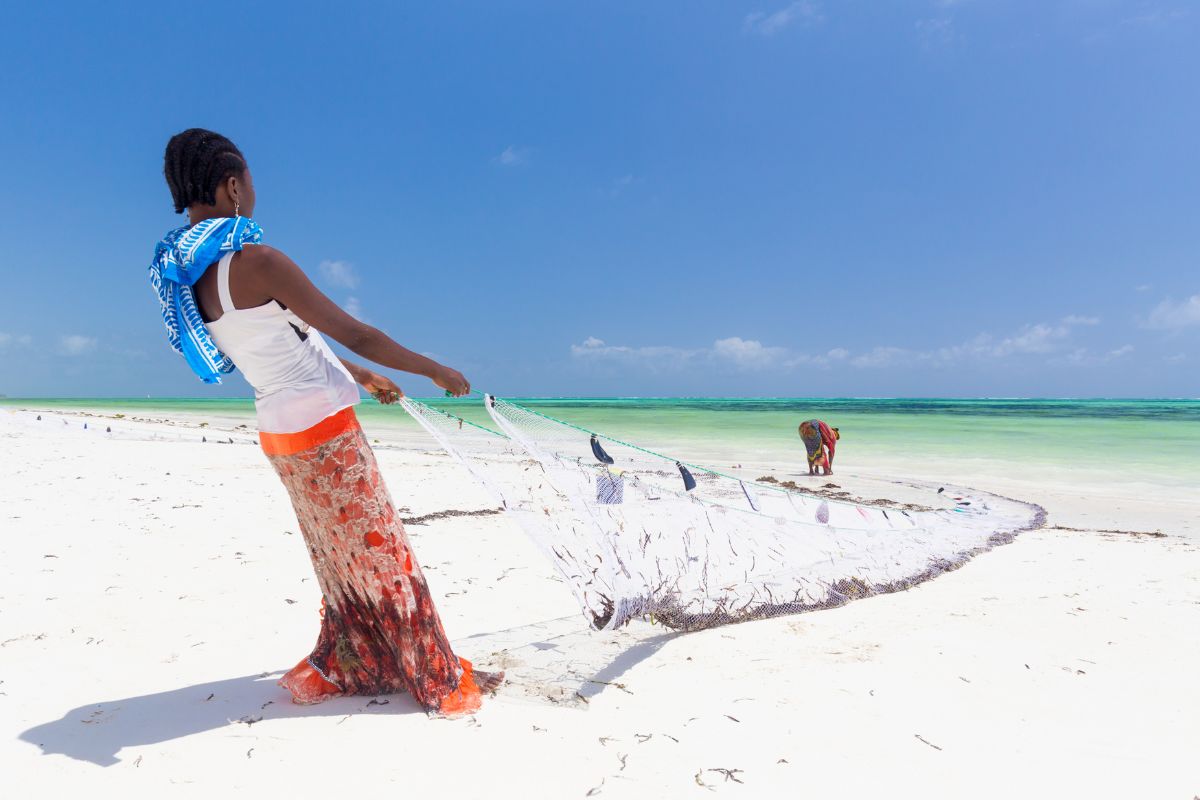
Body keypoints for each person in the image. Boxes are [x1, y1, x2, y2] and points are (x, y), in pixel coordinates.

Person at [150, 128, 501, 716]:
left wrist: (362, 377)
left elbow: (280, 340)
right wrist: (432, 368)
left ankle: (358, 658)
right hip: (326, 435)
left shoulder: (192, 281)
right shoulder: (257, 260)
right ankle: (433, 677)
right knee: (385, 556)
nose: (255, 193)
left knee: (337, 559)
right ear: (233, 186)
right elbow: (354, 330)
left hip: (282, 437)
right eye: (251, 183)